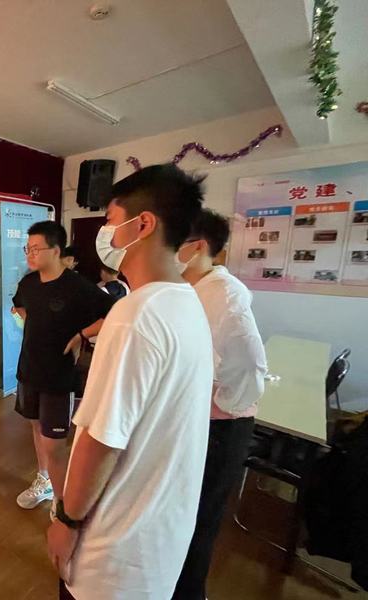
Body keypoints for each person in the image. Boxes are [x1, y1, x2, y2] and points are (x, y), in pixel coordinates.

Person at [46, 164, 214, 600]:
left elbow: (101, 440)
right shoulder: (187, 302)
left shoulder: (135, 315)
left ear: (143, 224)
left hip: (112, 554)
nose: (106, 234)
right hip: (157, 544)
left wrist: (66, 520)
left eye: (110, 221)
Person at [173, 208, 267, 599]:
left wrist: (216, 398)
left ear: (197, 247)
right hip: (196, 416)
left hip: (222, 421)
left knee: (200, 518)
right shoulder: (188, 289)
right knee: (181, 514)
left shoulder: (224, 295)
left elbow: (248, 365)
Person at [12, 221, 116, 518]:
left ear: (56, 250)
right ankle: (44, 480)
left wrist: (82, 335)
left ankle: (62, 503)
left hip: (58, 376)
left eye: (36, 249)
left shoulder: (78, 286)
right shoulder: (28, 284)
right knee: (36, 427)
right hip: (29, 369)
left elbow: (113, 313)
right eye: (27, 249)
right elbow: (20, 306)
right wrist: (36, 323)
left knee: (54, 443)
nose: (30, 254)